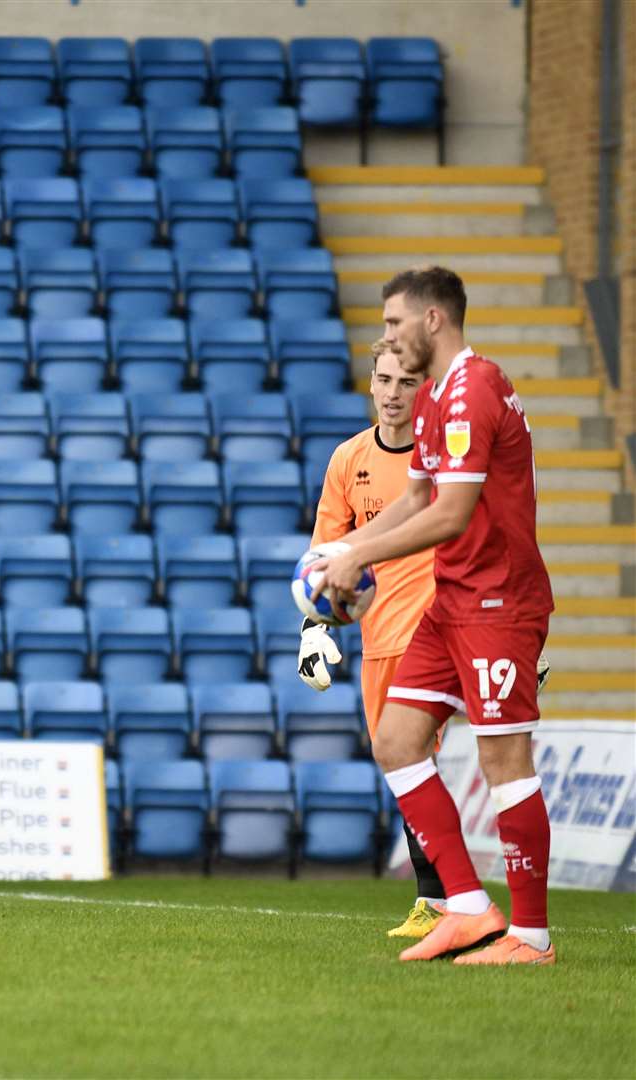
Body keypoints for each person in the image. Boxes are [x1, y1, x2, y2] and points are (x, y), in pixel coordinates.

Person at [311, 267, 557, 964]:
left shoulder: (473, 388)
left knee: (502, 759)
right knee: (395, 740)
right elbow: (417, 496)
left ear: (430, 322)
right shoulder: (432, 401)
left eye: (392, 323)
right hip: (452, 602)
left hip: (499, 601)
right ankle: (468, 908)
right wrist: (342, 548)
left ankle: (530, 938)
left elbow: (450, 513)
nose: (385, 336)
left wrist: (361, 561)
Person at [303, 339, 445, 939]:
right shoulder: (348, 460)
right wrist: (314, 631)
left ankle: (441, 900)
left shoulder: (448, 462)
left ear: (424, 390)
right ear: (370, 385)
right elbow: (323, 557)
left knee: (423, 757)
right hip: (380, 637)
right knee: (403, 765)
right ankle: (442, 898)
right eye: (383, 381)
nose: (392, 394)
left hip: (443, 628)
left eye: (405, 383)